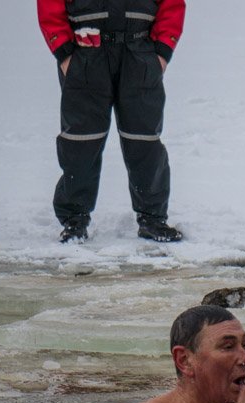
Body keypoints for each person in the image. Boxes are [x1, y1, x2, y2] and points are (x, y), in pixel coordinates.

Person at [38, 0, 185, 244]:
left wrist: (162, 52)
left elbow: (172, 5)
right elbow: (49, 6)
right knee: (81, 141)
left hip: (139, 52)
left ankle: (152, 219)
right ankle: (74, 220)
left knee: (143, 139)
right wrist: (63, 52)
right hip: (85, 54)